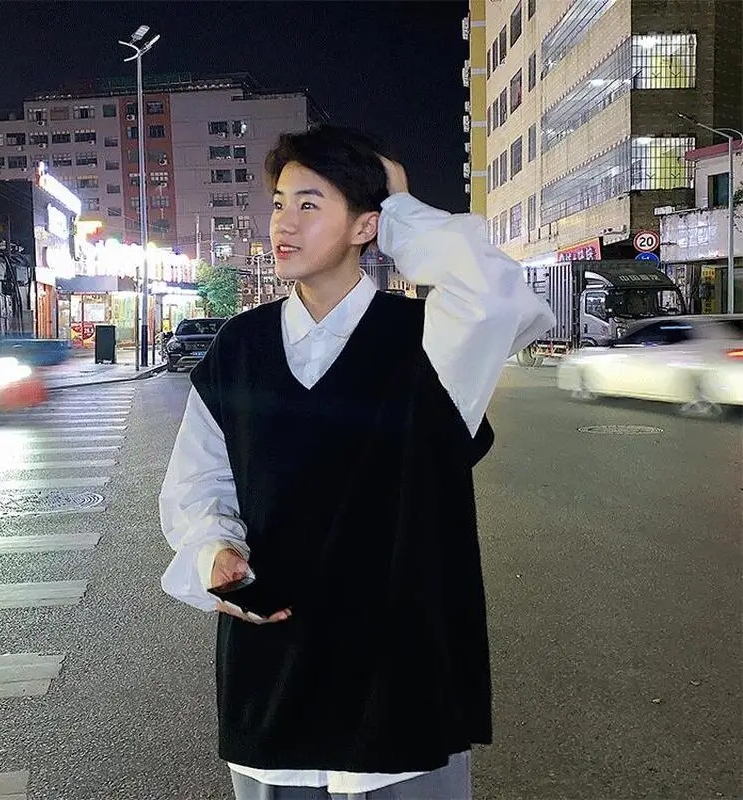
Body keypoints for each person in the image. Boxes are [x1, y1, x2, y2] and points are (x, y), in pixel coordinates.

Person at [159, 124, 555, 800]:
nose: (284, 223)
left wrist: (399, 206)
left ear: (365, 226)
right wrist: (214, 553)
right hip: (273, 676)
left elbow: (496, 296)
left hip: (400, 685)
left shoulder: (431, 341)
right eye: (280, 203)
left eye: (310, 204)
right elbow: (200, 482)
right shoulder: (240, 346)